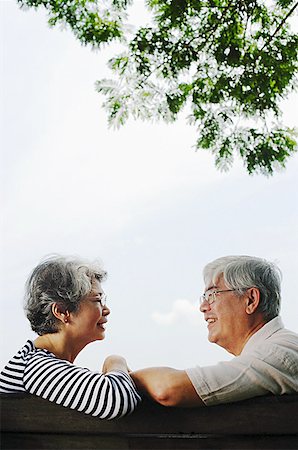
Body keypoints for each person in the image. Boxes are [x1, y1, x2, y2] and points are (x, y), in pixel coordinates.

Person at [131, 255, 298, 407]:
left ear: (251, 300)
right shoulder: (275, 350)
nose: (203, 307)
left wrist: (117, 367)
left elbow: (167, 389)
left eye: (212, 294)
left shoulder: (278, 352)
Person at [0, 255, 141, 419]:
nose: (106, 309)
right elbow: (117, 401)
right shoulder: (35, 367)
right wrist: (116, 361)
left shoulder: (38, 363)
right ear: (61, 312)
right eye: (97, 300)